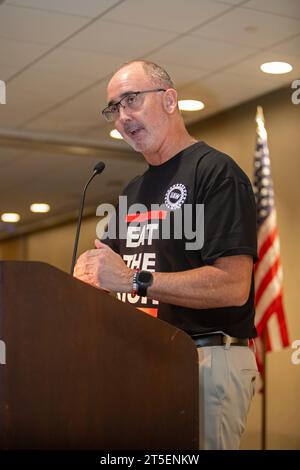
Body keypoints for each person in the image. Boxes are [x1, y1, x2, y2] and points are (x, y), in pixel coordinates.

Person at [74, 60, 259, 450]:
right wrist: (85, 278)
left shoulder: (217, 173)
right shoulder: (134, 190)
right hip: (144, 360)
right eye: (114, 108)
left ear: (170, 100)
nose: (123, 116)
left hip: (205, 361)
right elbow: (100, 271)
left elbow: (233, 286)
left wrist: (131, 280)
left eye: (132, 100)